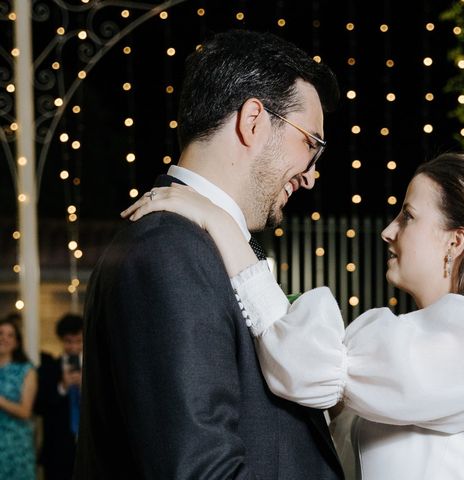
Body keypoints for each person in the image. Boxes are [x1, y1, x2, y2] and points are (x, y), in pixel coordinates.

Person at [124, 152, 464, 479]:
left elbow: (306, 367)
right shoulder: (418, 341)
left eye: (408, 216)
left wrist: (220, 224)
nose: (388, 230)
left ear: (456, 241)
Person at [75, 29, 341, 479]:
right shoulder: (169, 250)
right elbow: (201, 471)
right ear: (254, 120)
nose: (312, 175)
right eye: (310, 145)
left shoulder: (200, 242)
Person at [35, 313, 83, 480]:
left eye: (79, 341)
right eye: (69, 341)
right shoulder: (48, 369)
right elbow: (38, 406)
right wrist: (62, 387)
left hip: (87, 448)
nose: (74, 347)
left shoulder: (94, 371)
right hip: (57, 448)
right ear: (62, 340)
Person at [0, 314, 37, 480]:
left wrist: (1, 401)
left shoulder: (26, 370)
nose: (4, 338)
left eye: (10, 335)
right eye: (0, 333)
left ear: (16, 342)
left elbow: (25, 411)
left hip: (15, 446)